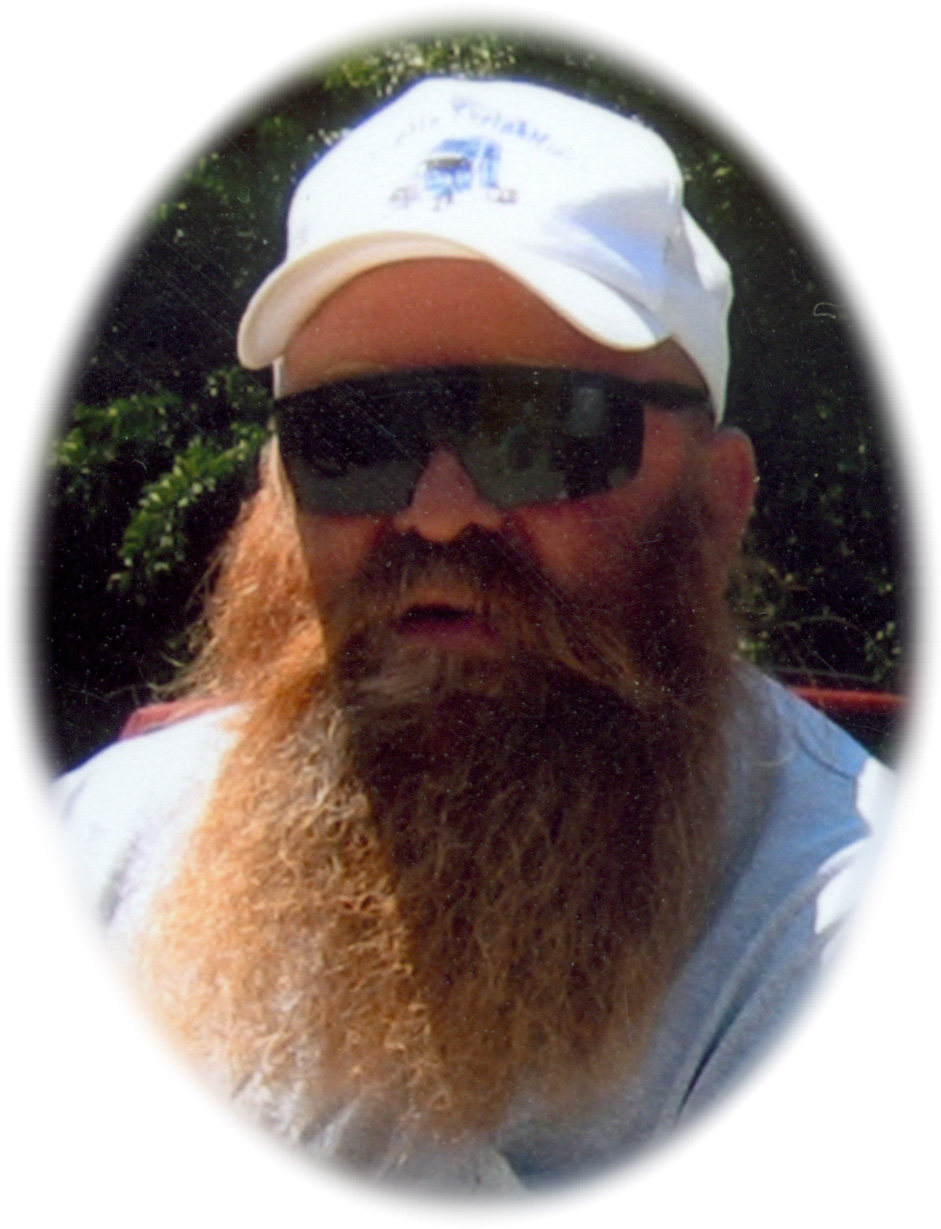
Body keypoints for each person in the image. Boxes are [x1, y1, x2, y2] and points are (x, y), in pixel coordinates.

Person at [55, 77, 891, 1192]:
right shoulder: (100, 846)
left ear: (716, 498)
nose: (439, 510)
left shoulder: (841, 943)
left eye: (540, 429)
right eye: (354, 434)